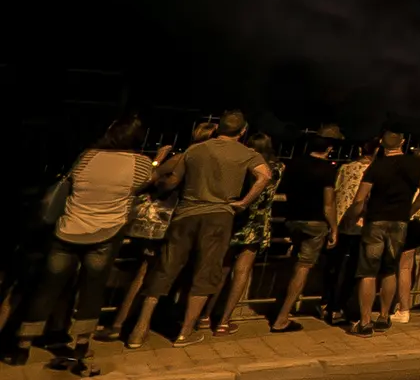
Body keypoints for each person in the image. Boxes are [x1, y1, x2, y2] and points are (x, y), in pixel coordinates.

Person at [6, 116, 164, 374]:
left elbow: (72, 182)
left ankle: (23, 346)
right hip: (105, 233)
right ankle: (81, 346)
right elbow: (147, 182)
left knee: (47, 288)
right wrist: (158, 159)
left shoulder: (87, 156)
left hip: (68, 230)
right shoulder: (140, 163)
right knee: (92, 290)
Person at [126, 111, 271, 349]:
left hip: (185, 214)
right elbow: (264, 176)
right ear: (243, 131)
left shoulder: (195, 150)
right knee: (207, 271)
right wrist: (244, 202)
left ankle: (139, 330)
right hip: (219, 217)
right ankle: (185, 332)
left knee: (165, 269)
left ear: (218, 128)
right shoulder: (248, 154)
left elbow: (172, 180)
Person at [114, 122, 202, 344]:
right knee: (162, 275)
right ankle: (137, 323)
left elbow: (149, 179)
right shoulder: (205, 163)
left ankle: (122, 323)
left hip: (162, 224)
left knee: (145, 272)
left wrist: (157, 160)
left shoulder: (182, 158)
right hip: (180, 225)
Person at [346, 131, 420, 337]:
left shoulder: (376, 166)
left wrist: (349, 220)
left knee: (368, 271)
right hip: (399, 221)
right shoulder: (416, 164)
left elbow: (359, 199)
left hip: (375, 221)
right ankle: (384, 316)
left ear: (382, 144)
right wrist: (411, 210)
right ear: (402, 142)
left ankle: (365, 321)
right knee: (390, 268)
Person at [270, 127, 340, 333]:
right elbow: (328, 204)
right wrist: (334, 228)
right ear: (328, 148)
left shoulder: (293, 164)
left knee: (293, 262)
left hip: (293, 219)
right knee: (303, 266)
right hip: (315, 222)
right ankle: (282, 318)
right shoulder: (327, 170)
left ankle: (279, 306)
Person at [211, 133, 281, 334]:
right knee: (242, 272)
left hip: (235, 218)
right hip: (258, 222)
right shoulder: (277, 169)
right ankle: (225, 320)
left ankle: (205, 315)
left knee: (222, 268)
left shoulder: (242, 166)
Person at [324, 139, 375, 326]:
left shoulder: (346, 168)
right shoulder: (373, 171)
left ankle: (328, 304)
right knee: (352, 268)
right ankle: (339, 306)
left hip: (340, 221)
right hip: (359, 224)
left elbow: (336, 191)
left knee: (336, 265)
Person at [393, 149, 420, 323]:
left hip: (414, 221)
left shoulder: (413, 177)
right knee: (419, 264)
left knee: (404, 266)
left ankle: (403, 309)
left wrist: (407, 212)